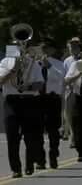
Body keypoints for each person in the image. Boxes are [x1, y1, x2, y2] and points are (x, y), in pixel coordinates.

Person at [0, 40, 44, 178]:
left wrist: (28, 87)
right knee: (12, 135)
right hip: (11, 101)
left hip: (29, 100)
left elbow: (40, 84)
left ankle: (29, 163)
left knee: (30, 136)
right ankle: (16, 169)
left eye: (22, 44)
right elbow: (1, 82)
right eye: (17, 44)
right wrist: (14, 69)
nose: (20, 47)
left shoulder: (32, 62)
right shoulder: (4, 62)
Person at [35, 37, 65, 170]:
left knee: (53, 130)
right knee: (37, 130)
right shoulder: (33, 63)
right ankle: (40, 160)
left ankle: (53, 155)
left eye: (46, 47)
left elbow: (61, 78)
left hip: (52, 99)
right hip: (37, 99)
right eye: (41, 47)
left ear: (52, 50)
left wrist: (49, 66)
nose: (43, 50)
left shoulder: (58, 63)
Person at [63, 37, 81, 148]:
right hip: (70, 90)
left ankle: (81, 137)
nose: (73, 47)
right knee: (69, 114)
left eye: (76, 45)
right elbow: (65, 77)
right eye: (72, 45)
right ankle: (74, 137)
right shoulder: (67, 60)